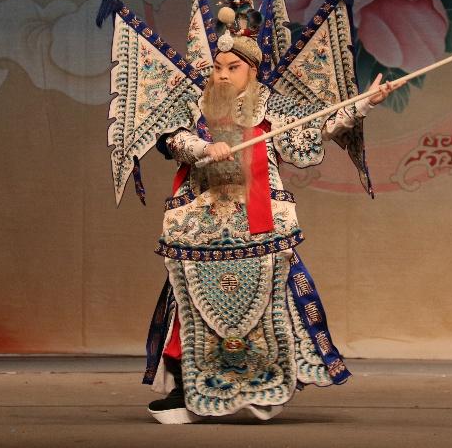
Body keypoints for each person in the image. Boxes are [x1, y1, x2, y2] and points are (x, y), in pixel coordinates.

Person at [143, 26, 393, 424]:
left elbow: (320, 125)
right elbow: (174, 140)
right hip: (201, 229)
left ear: (253, 70)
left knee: (276, 302)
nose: (223, 75)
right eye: (218, 67)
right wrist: (205, 147)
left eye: (233, 67)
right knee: (187, 303)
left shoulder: (272, 107)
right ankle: (186, 389)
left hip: (260, 225)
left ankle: (268, 383)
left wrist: (364, 104)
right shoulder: (196, 104)